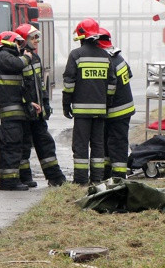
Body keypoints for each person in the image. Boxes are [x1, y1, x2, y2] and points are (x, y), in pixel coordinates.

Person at [63, 18, 116, 185]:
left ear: (82, 37)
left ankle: (80, 180)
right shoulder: (105, 56)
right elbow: (112, 84)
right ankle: (97, 179)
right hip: (100, 111)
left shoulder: (76, 55)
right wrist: (107, 103)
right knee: (98, 145)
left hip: (81, 111)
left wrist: (66, 103)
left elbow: (69, 82)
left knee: (80, 145)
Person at [15, 23, 67, 187]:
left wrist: (45, 103)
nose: (37, 40)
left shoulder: (35, 58)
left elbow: (40, 85)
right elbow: (17, 87)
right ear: (24, 40)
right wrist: (27, 103)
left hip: (37, 112)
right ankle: (25, 178)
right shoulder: (16, 61)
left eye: (37, 37)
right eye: (33, 37)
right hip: (24, 111)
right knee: (23, 146)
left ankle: (55, 178)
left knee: (45, 143)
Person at [0, 31, 35, 191]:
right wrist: (27, 57)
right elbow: (18, 64)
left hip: (16, 111)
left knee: (17, 146)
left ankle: (16, 179)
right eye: (18, 43)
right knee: (11, 147)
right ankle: (9, 182)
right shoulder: (3, 56)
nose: (21, 46)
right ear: (10, 42)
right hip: (10, 112)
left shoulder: (5, 56)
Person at [98, 27, 135, 179]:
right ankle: (107, 175)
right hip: (123, 108)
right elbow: (130, 74)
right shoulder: (117, 56)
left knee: (117, 144)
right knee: (108, 143)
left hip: (117, 110)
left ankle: (119, 177)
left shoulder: (108, 59)